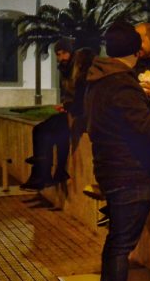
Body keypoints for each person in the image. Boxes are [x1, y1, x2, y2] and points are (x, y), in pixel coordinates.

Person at [84, 21, 150, 281]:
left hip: (109, 169)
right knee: (122, 244)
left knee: (116, 241)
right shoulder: (122, 83)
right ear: (136, 52)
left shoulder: (98, 78)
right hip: (128, 173)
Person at [20, 38, 95, 190]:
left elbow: (82, 95)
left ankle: (44, 174)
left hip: (82, 115)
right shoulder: (65, 69)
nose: (61, 58)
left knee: (48, 131)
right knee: (44, 130)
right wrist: (65, 105)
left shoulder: (80, 67)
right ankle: (48, 173)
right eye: (58, 54)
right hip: (71, 111)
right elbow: (69, 95)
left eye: (64, 53)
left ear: (71, 52)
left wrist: (68, 106)